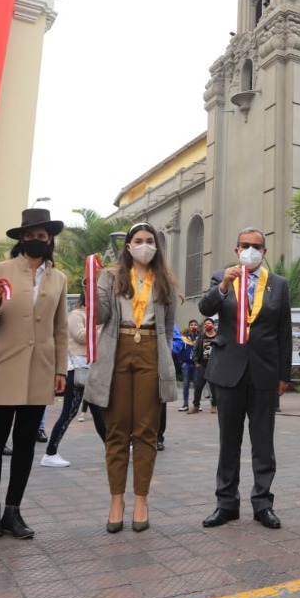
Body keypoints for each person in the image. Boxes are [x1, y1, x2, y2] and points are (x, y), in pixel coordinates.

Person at [0, 207, 69, 540]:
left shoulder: (58, 278)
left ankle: (14, 511)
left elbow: (60, 328)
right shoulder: (0, 269)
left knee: (26, 442)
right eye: (29, 235)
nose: (35, 240)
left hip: (39, 369)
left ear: (49, 239)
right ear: (21, 238)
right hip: (2, 365)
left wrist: (61, 369)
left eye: (42, 236)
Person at [84, 223, 180, 532]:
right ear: (127, 246)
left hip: (151, 348)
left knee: (145, 431)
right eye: (138, 241)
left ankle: (141, 499)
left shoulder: (165, 279)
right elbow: (98, 317)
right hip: (117, 347)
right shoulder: (110, 276)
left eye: (149, 241)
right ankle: (116, 500)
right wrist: (91, 288)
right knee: (116, 430)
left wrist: (165, 364)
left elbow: (169, 325)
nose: (144, 245)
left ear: (157, 246)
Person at [198, 227, 292, 529]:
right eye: (244, 245)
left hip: (264, 373)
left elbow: (284, 333)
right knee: (229, 441)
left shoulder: (278, 284)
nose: (250, 250)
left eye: (256, 246)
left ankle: (263, 504)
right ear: (237, 250)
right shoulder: (222, 277)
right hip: (228, 372)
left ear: (264, 252)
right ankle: (226, 504)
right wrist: (224, 284)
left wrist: (283, 375)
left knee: (263, 442)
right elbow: (206, 308)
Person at [41, 286, 91, 468]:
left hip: (87, 369)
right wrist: (102, 329)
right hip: (75, 370)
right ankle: (50, 453)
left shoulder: (93, 317)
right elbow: (81, 336)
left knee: (101, 413)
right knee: (68, 412)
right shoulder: (77, 315)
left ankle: (116, 448)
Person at [190, 318, 217, 413]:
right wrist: (196, 362)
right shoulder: (201, 337)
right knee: (198, 386)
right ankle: (196, 406)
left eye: (209, 323)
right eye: (205, 324)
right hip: (203, 365)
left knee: (214, 387)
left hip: (214, 366)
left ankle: (214, 405)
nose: (206, 325)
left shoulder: (218, 337)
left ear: (213, 325)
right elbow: (195, 349)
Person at [178, 320, 199, 411]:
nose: (193, 326)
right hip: (186, 363)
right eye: (191, 325)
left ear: (197, 327)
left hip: (196, 364)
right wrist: (181, 361)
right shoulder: (184, 338)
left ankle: (196, 404)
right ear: (189, 326)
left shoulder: (200, 337)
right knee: (185, 384)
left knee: (197, 384)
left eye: (195, 325)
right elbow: (180, 349)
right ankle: (185, 404)